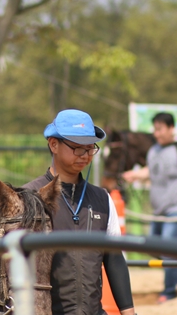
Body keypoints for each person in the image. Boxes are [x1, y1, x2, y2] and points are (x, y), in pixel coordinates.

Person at [24, 109, 135, 315]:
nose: (85, 155)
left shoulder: (102, 199)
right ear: (53, 144)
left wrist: (129, 312)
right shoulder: (29, 198)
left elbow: (114, 259)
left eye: (90, 148)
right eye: (77, 148)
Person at [123, 112, 177, 303]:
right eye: (155, 129)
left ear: (171, 128)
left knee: (168, 248)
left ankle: (168, 292)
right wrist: (135, 176)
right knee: (157, 247)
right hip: (158, 211)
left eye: (160, 129)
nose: (156, 133)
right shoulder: (154, 151)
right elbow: (153, 171)